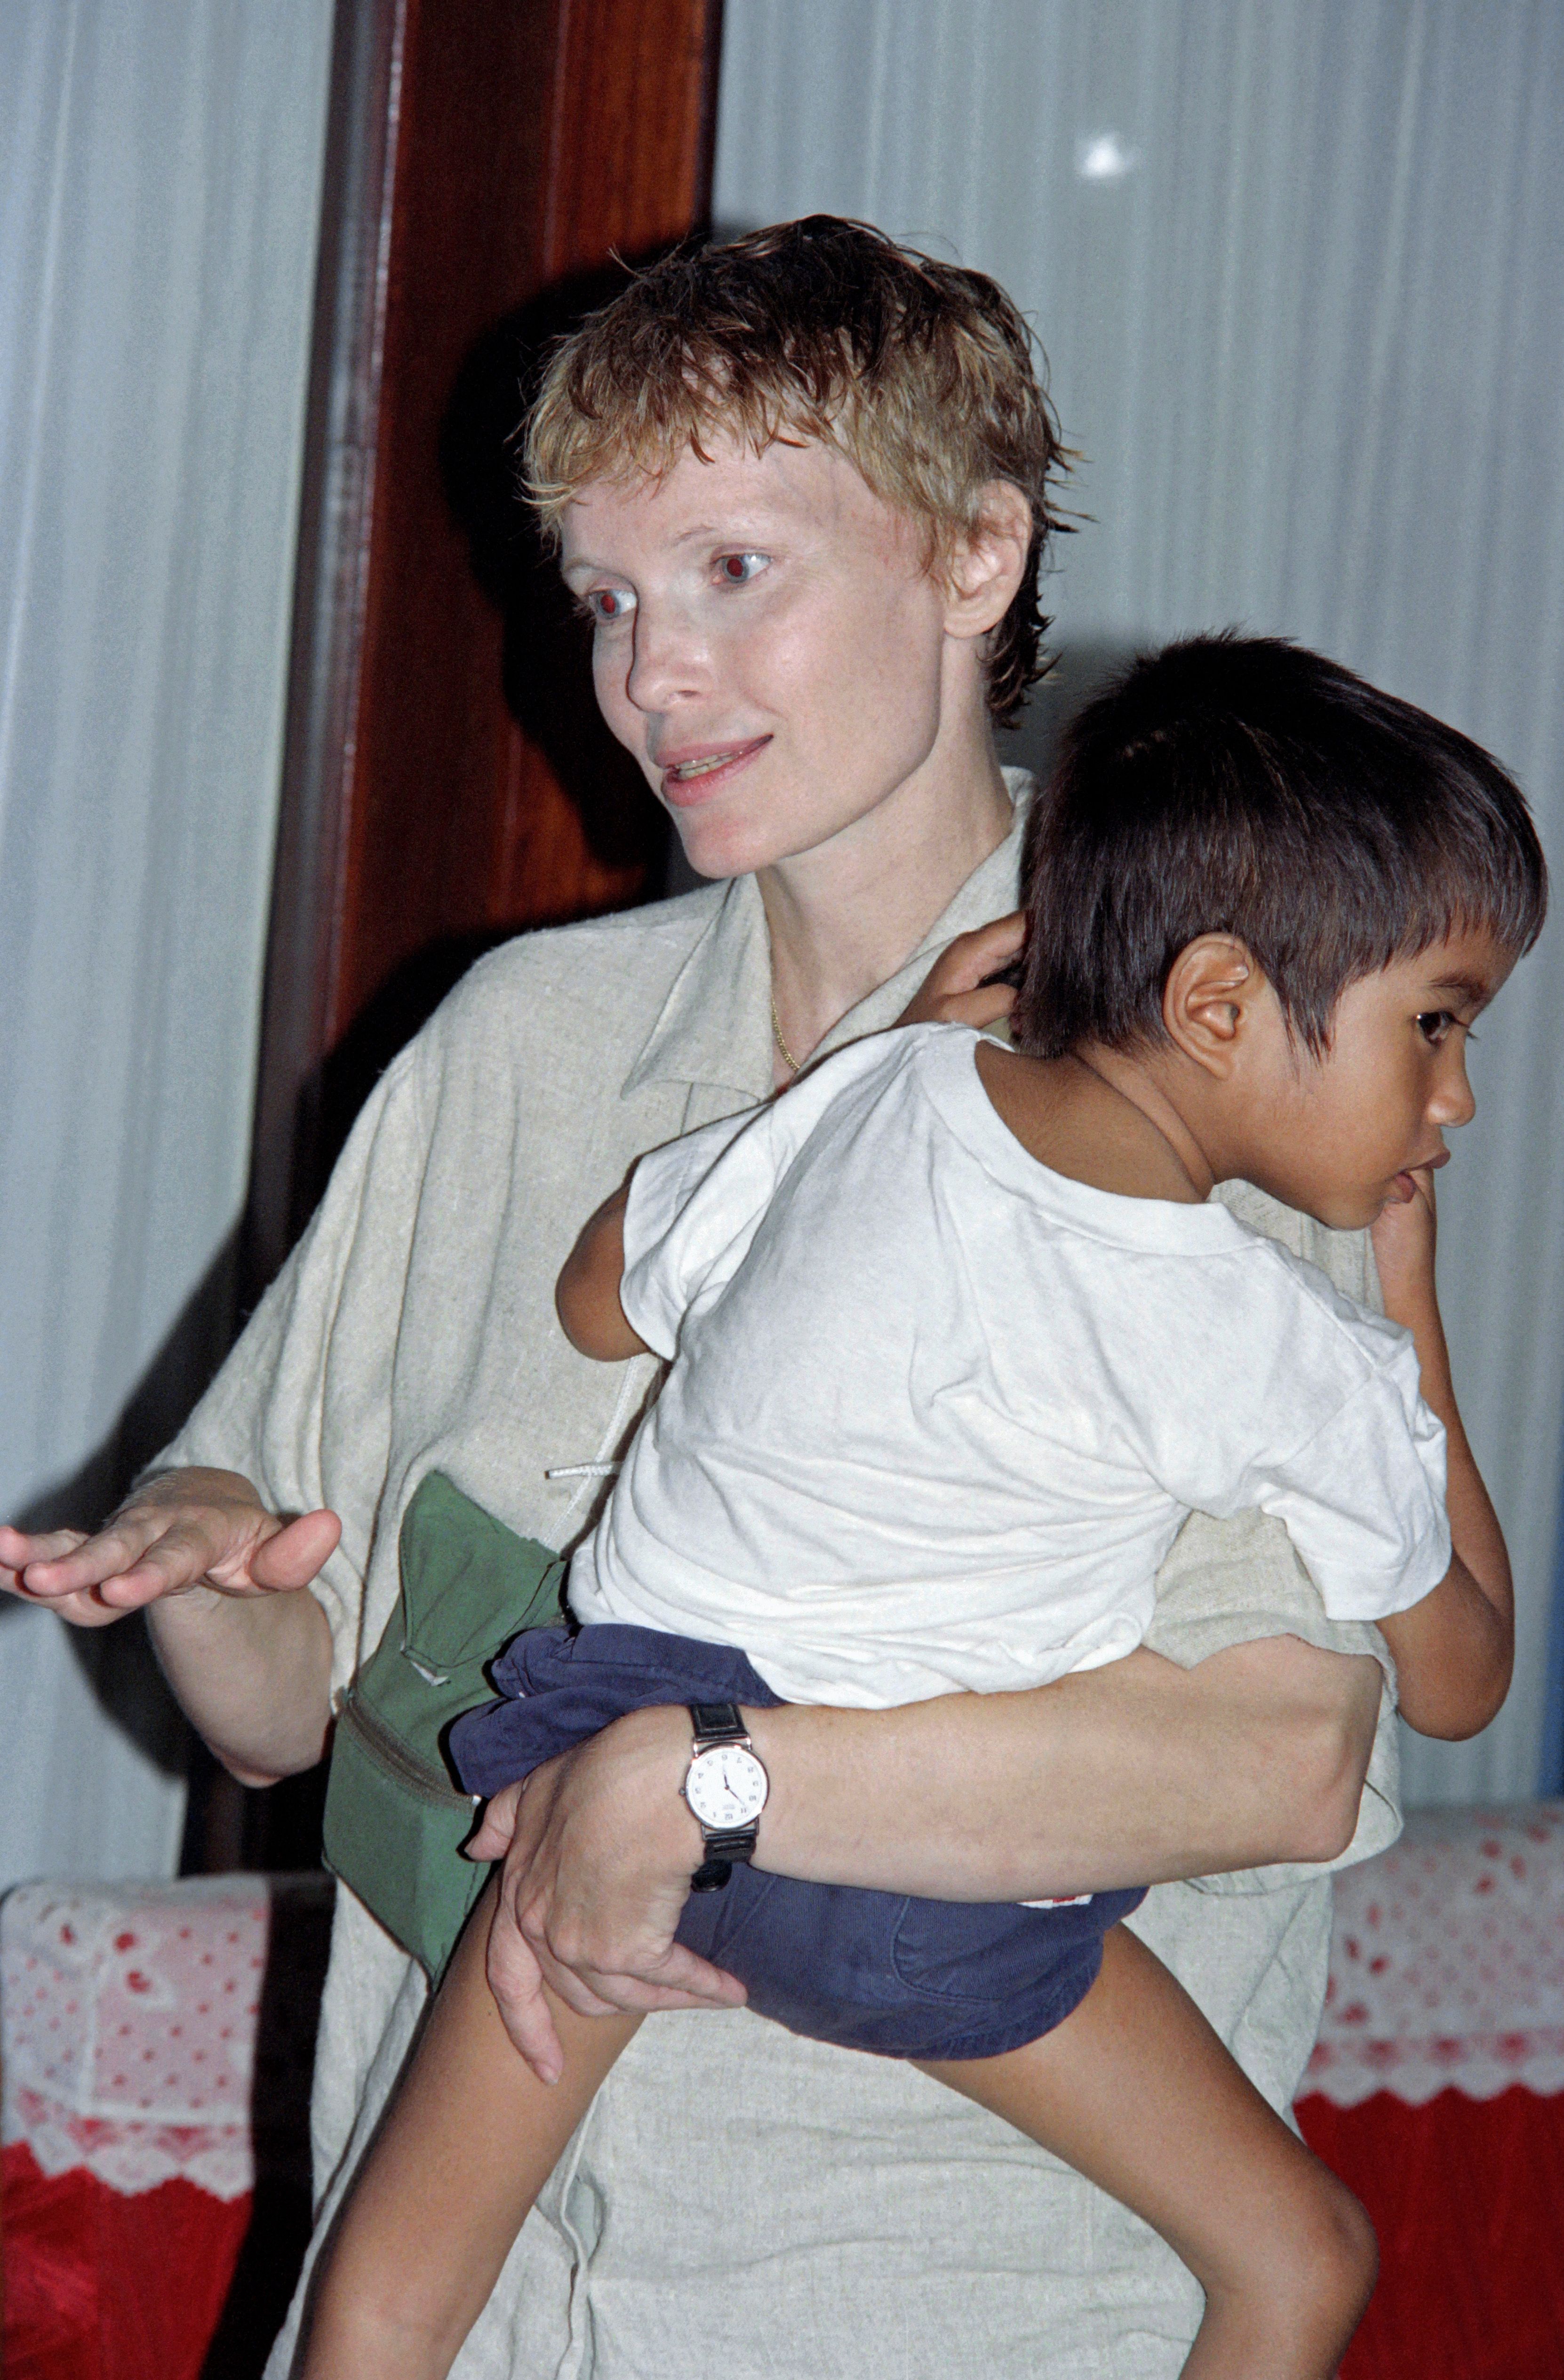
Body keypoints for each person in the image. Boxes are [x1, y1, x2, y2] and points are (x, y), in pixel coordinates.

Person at [1, 223, 1407, 2379]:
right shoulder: (512, 1048)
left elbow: (1284, 1750)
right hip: (462, 2298)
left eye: (736, 569)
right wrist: (198, 1560)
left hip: (920, 2300)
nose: (652, 672)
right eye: (608, 599)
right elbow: (288, 1708)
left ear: (973, 552)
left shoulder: (1191, 1051)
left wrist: (707, 1781)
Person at [297, 634, 1539, 2380]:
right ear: (1213, 1008)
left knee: (388, 2301)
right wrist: (1405, 1298)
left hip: (593, 1750)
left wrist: (853, 1073)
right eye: (1436, 1022)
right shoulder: (1279, 1343)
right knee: (1299, 2252)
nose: (1454, 1096)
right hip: (896, 1883)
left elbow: (598, 1301)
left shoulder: (884, 1090)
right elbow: (1466, 1678)